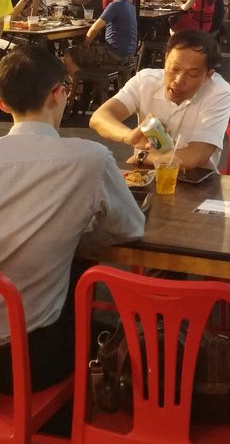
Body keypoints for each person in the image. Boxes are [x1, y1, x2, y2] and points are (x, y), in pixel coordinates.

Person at [0, 45, 144, 393]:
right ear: (58, 93)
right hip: (21, 361)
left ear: (3, 104)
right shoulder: (89, 160)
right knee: (111, 333)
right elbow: (130, 228)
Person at [90, 29, 230, 171]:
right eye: (174, 69)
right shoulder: (146, 81)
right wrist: (129, 136)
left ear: (208, 75)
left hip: (196, 182)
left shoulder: (218, 92)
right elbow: (99, 117)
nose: (178, 81)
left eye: (192, 74)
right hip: (147, 175)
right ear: (165, 59)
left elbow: (194, 157)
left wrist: (144, 157)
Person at [63, 0, 137, 78]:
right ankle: (88, 85)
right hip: (128, 54)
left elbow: (94, 29)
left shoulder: (115, 5)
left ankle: (76, 89)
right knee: (90, 49)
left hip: (114, 55)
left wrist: (85, 45)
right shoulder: (130, 5)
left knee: (69, 54)